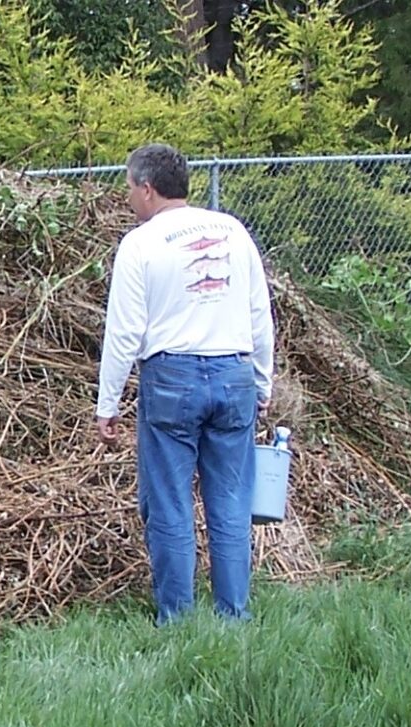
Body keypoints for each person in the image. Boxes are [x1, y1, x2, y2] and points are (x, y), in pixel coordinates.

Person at [96, 143, 275, 625]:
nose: (130, 198)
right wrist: (262, 383)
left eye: (131, 188)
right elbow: (260, 314)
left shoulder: (141, 243)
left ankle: (176, 618)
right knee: (232, 503)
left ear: (147, 189)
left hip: (172, 378)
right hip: (235, 374)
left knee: (170, 502)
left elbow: (125, 331)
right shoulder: (234, 232)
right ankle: (233, 615)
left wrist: (106, 403)